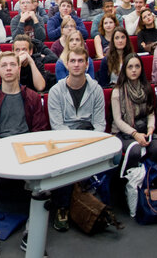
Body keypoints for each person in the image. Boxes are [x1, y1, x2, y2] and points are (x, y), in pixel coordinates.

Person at [0, 52, 48, 258]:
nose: (8, 68)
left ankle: (31, 231)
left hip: (26, 154)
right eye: (4, 65)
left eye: (12, 65)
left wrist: (24, 152)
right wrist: (6, 152)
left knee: (44, 178)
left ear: (19, 69)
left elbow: (39, 131)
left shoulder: (33, 98)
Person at [46, 45, 108, 231]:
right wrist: (76, 145)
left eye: (81, 61)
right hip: (65, 138)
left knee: (107, 157)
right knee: (64, 161)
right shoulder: (56, 91)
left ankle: (98, 204)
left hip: (90, 136)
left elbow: (99, 124)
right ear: (66, 64)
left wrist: (89, 144)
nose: (76, 64)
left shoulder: (96, 90)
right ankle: (62, 207)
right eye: (72, 61)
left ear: (87, 64)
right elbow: (57, 126)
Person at [110, 54, 157, 168]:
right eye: (130, 67)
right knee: (135, 150)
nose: (134, 70)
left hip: (143, 130)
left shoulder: (146, 88)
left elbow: (150, 113)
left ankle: (147, 177)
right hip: (123, 133)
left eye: (137, 66)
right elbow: (118, 121)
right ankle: (130, 181)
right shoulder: (117, 92)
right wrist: (135, 134)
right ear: (125, 69)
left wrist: (150, 128)